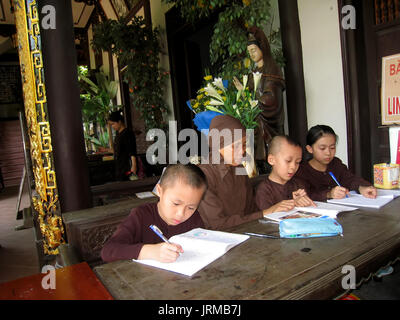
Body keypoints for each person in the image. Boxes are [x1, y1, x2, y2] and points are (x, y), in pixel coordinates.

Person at [101, 164, 207, 263]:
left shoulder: (194, 218)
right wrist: (149, 252)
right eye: (176, 203)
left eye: (191, 207)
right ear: (159, 191)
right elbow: (108, 251)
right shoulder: (141, 215)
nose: (181, 214)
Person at [197, 114, 263, 230]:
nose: (242, 151)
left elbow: (251, 209)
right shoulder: (204, 174)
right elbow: (217, 224)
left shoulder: (239, 168)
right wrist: (266, 213)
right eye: (235, 146)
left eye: (243, 145)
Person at [233, 26, 285, 173]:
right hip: (254, 122)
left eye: (254, 50)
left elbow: (272, 98)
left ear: (262, 48)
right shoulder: (252, 74)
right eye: (249, 52)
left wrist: (251, 98)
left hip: (267, 122)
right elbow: (247, 98)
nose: (252, 54)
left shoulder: (272, 69)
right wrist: (242, 94)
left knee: (271, 154)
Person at [294, 125, 377, 202]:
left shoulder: (336, 164)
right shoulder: (302, 171)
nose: (328, 153)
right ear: (310, 149)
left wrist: (361, 187)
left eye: (332, 148)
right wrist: (329, 194)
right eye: (322, 148)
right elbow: (305, 195)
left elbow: (350, 179)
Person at [256, 135, 315, 214]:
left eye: (297, 162)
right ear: (271, 160)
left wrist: (304, 202)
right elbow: (264, 218)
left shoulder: (299, 185)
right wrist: (293, 203)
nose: (293, 167)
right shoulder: (264, 190)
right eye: (288, 161)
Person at [108, 110, 139, 181]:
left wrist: (134, 166)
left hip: (127, 167)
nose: (112, 127)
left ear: (119, 122)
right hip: (119, 167)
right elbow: (117, 150)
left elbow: (132, 151)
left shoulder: (128, 133)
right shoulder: (118, 134)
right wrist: (106, 150)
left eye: (113, 124)